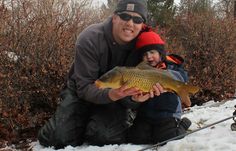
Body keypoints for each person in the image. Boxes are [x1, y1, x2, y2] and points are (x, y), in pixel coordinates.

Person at [37, 0, 165, 149]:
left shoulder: (143, 48)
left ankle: (92, 123)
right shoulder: (90, 37)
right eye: (125, 16)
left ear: (142, 24)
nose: (130, 23)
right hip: (82, 90)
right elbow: (84, 87)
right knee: (56, 138)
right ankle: (72, 120)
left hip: (118, 98)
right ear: (114, 17)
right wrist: (110, 94)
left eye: (137, 19)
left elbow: (134, 92)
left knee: (104, 137)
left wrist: (135, 100)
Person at [126, 29, 192, 144]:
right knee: (136, 138)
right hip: (145, 114)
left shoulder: (171, 66)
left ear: (160, 53)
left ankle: (184, 124)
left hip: (168, 114)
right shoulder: (138, 70)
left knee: (167, 138)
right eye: (145, 54)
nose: (149, 57)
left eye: (152, 52)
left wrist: (163, 76)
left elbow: (183, 77)